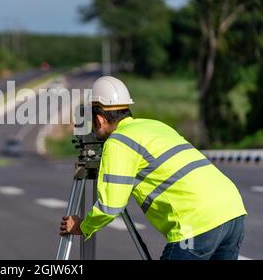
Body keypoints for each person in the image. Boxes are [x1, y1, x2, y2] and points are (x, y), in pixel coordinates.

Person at [59, 76, 247, 260]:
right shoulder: (153, 125)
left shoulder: (118, 142)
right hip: (232, 212)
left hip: (196, 224)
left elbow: (110, 207)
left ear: (99, 119)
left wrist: (83, 226)